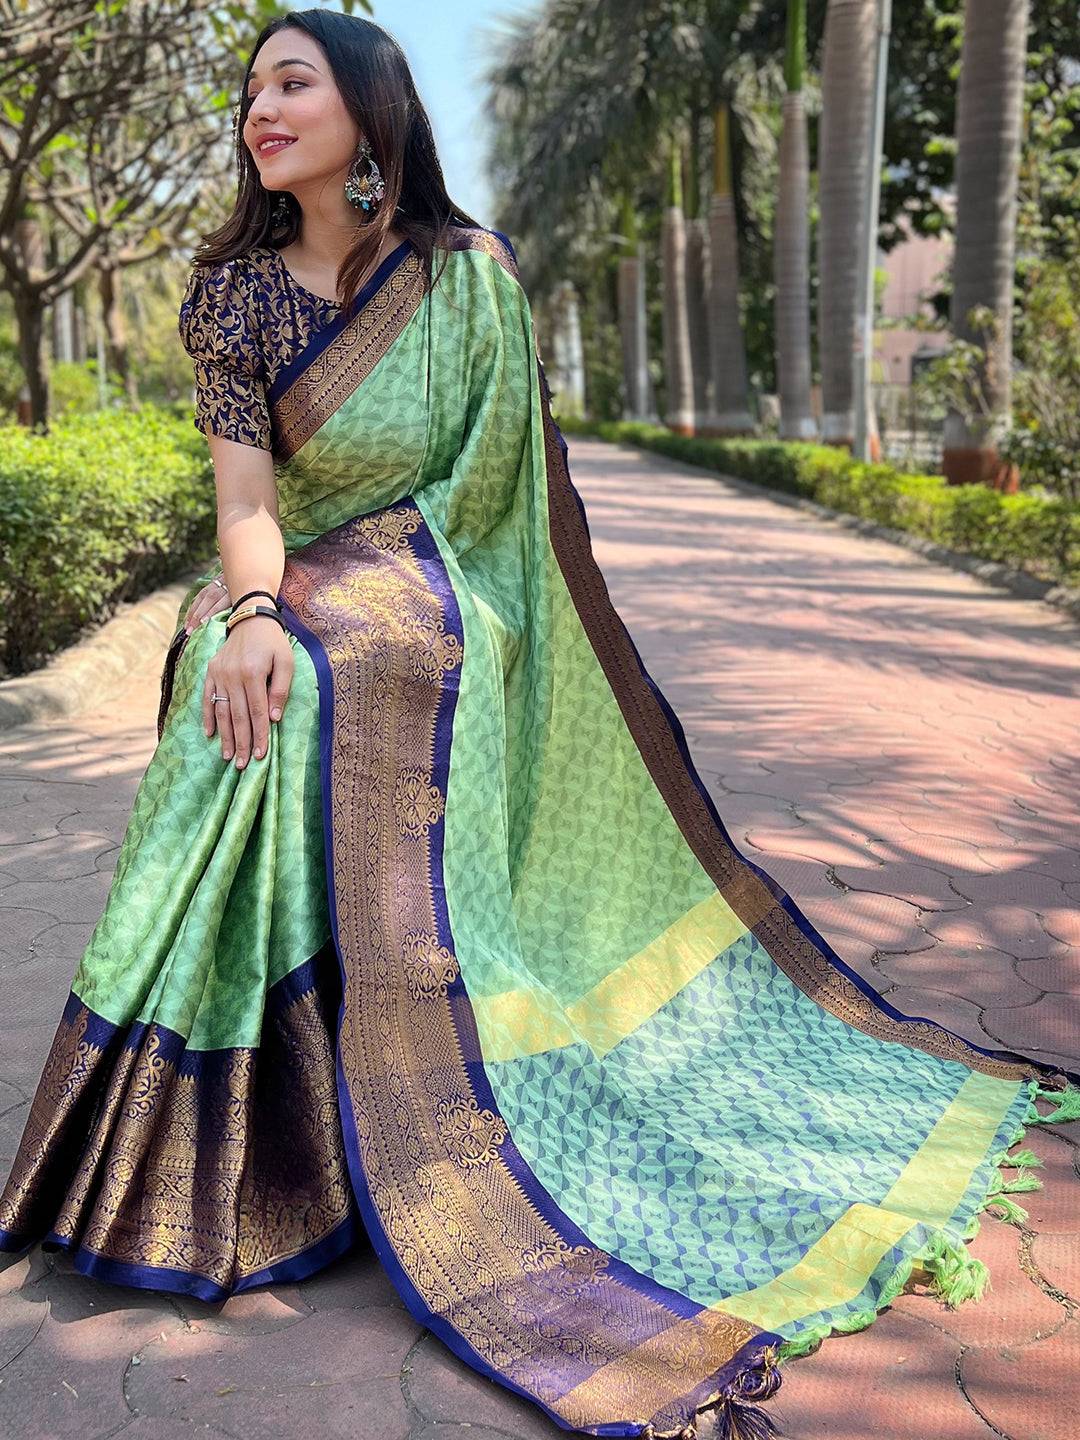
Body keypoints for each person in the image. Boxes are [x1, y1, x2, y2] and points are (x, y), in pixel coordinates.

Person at [2, 11, 1078, 1440]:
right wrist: (253, 614)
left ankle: (378, 1103)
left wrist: (373, 592)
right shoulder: (234, 298)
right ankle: (214, 1148)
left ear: (372, 107)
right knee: (245, 685)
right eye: (249, 87)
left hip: (447, 574)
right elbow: (249, 508)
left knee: (354, 665)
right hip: (295, 578)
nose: (258, 108)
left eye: (291, 80)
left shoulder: (465, 279)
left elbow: (498, 499)